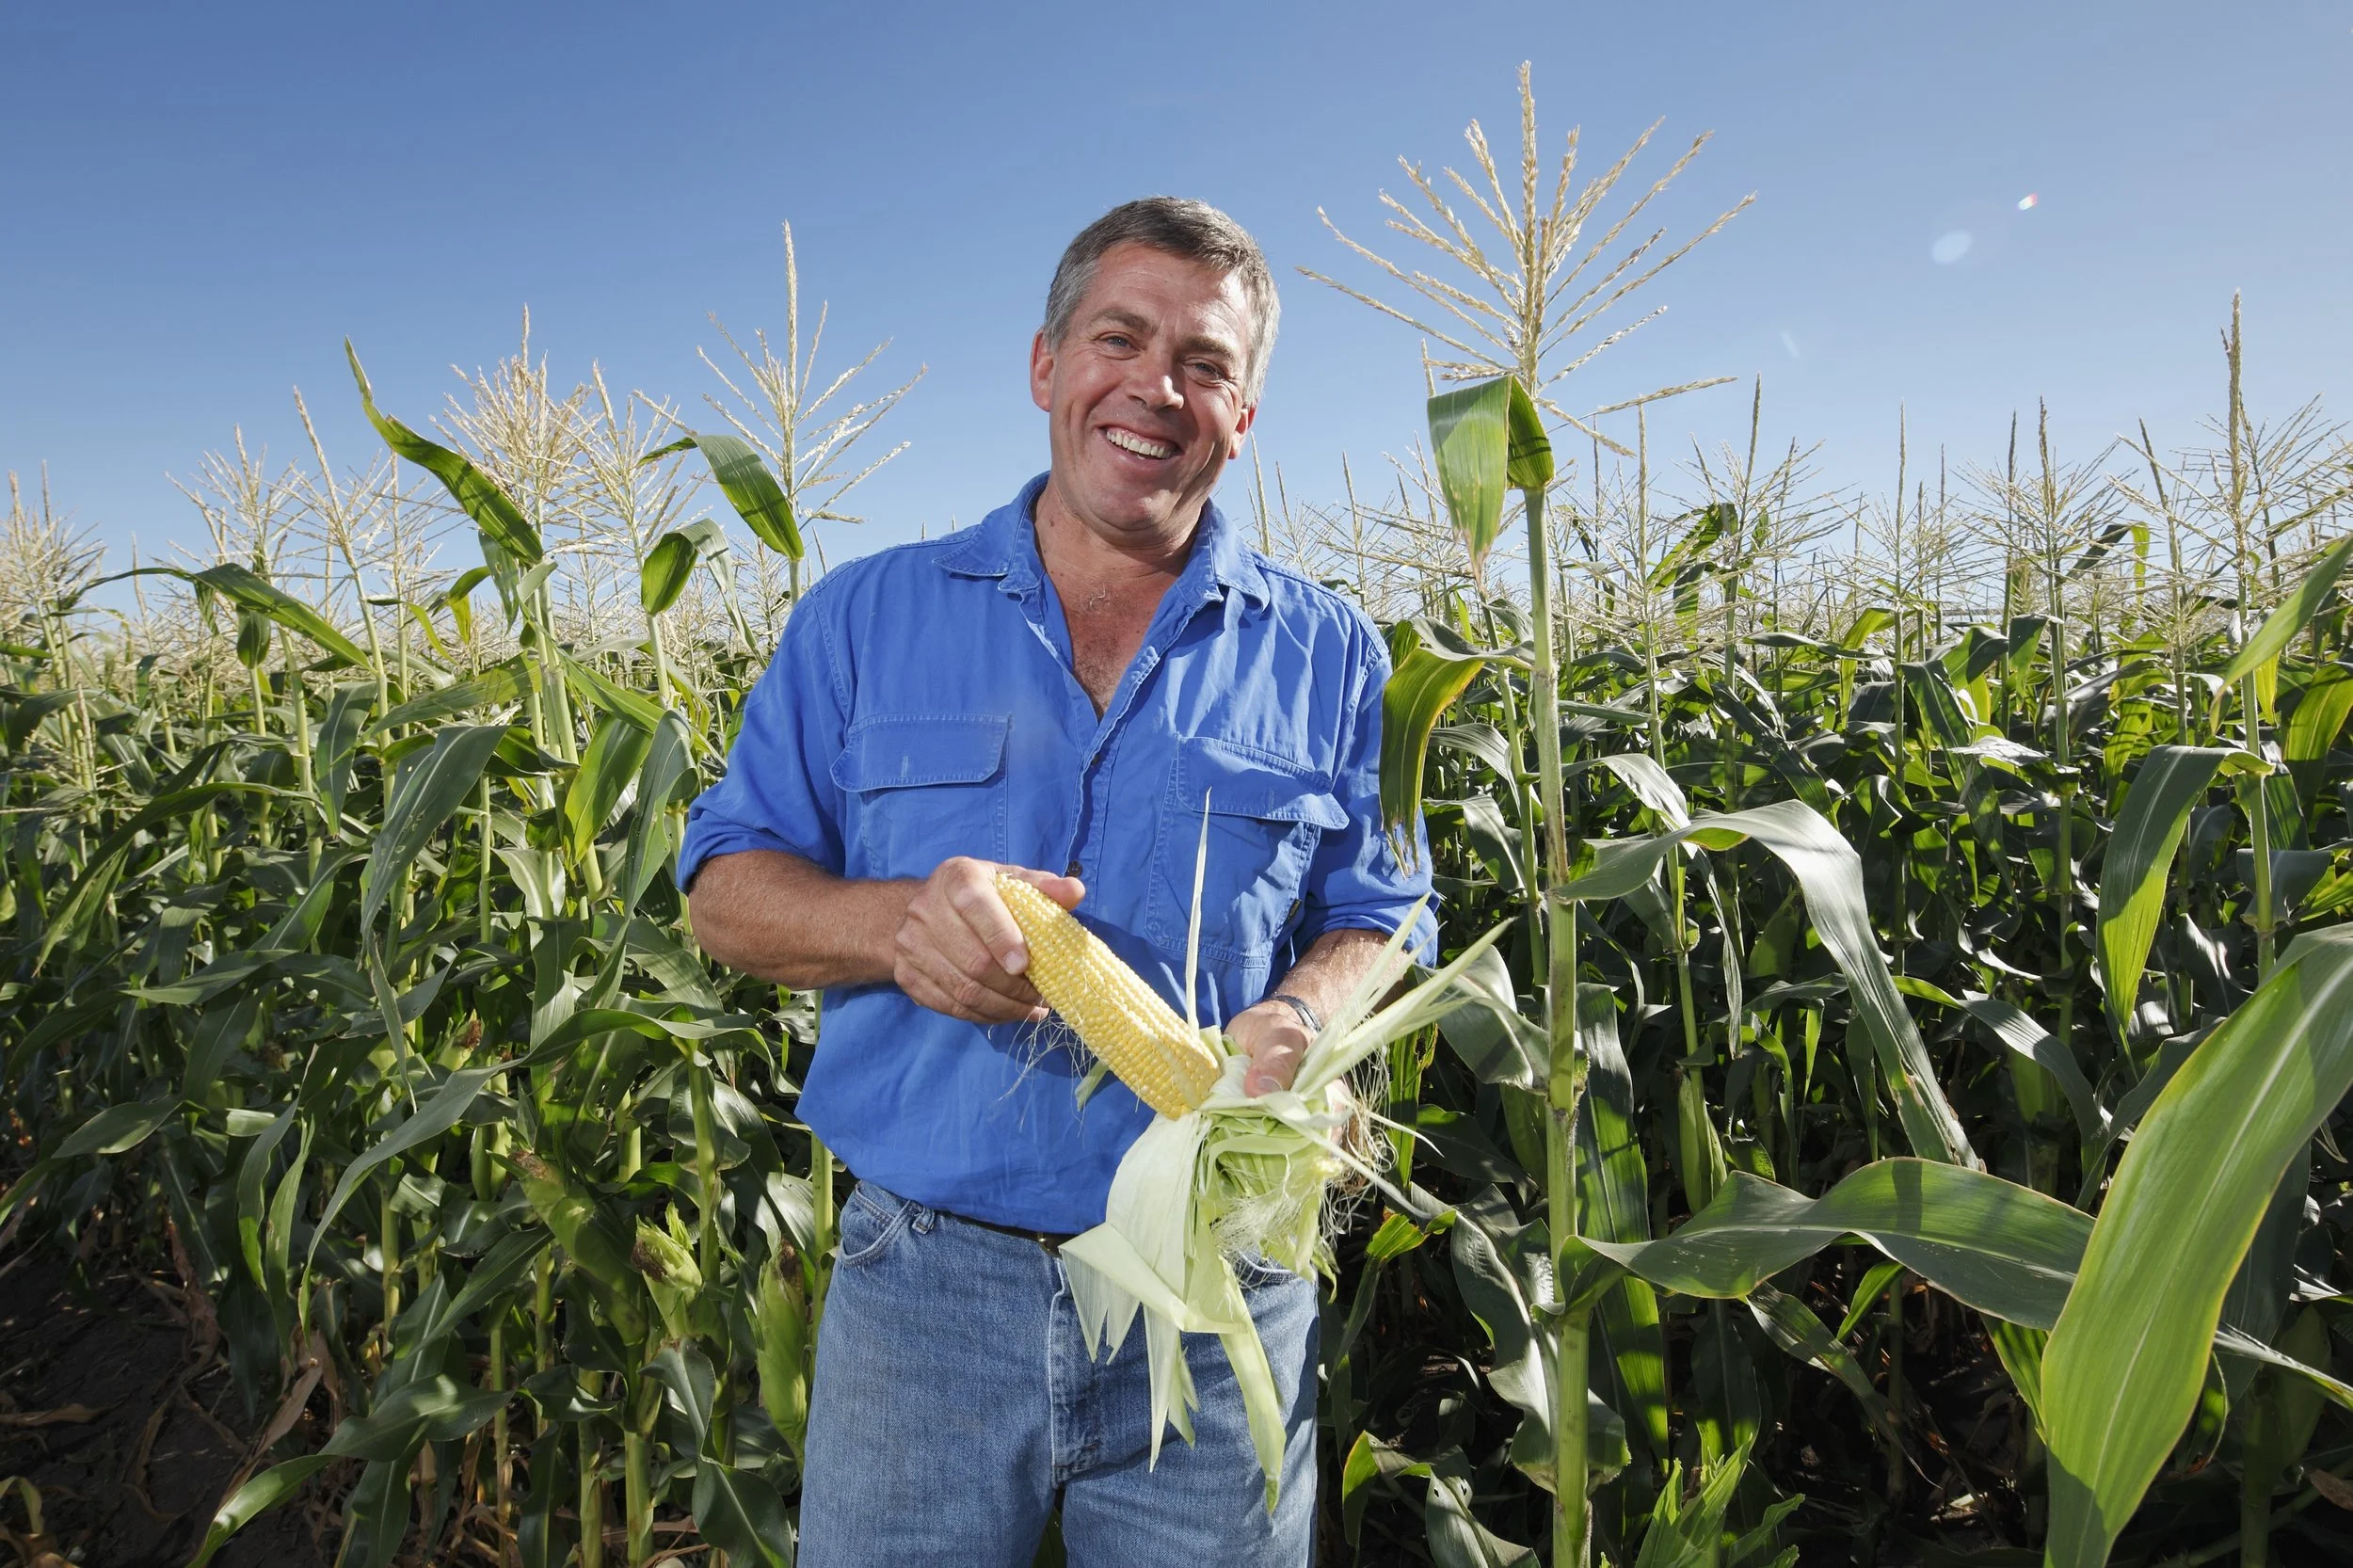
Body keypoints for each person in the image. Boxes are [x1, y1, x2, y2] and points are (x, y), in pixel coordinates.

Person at [679, 196, 1434, 1567]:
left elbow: (1378, 907)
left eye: (1206, 364)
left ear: (1244, 414)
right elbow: (723, 889)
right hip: (927, 1293)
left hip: (1214, 1287)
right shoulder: (863, 616)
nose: (1156, 388)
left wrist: (1309, 1015)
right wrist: (892, 924)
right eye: (1120, 337)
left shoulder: (1336, 656)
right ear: (1045, 365)